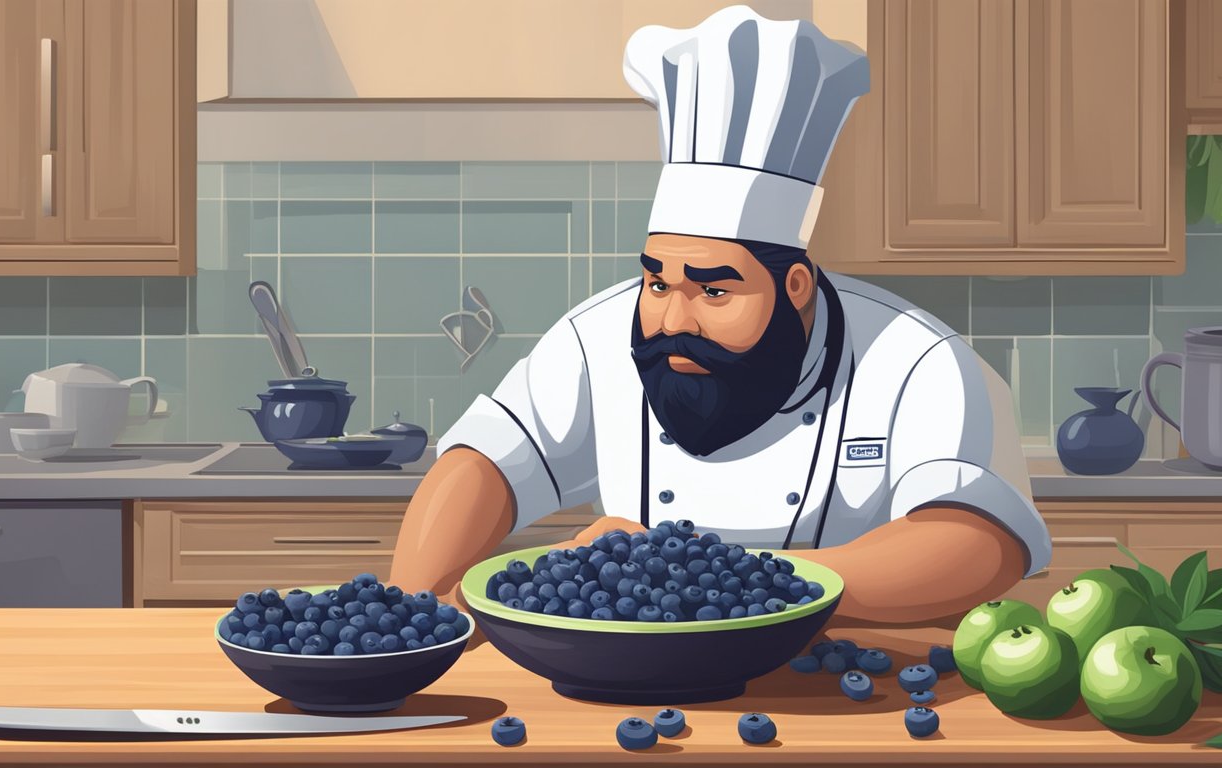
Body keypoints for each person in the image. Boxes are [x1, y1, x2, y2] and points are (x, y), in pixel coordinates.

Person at [390, 5, 1051, 625]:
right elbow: (484, 463)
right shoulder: (598, 338)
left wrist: (694, 575)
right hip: (629, 682)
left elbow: (977, 542)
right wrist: (413, 614)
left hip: (838, 681)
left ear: (794, 284)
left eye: (713, 292)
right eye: (657, 281)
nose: (672, 318)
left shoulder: (916, 361)